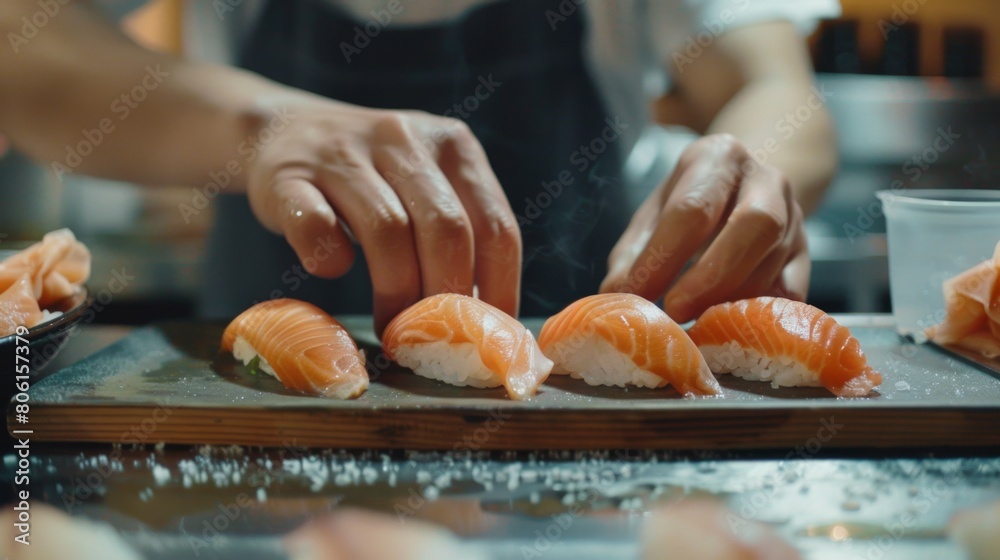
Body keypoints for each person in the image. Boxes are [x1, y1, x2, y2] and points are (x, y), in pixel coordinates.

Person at [0, 0, 839, 333]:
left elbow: (775, 87)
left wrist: (747, 172)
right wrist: (267, 126)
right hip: (255, 402)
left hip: (577, 404)